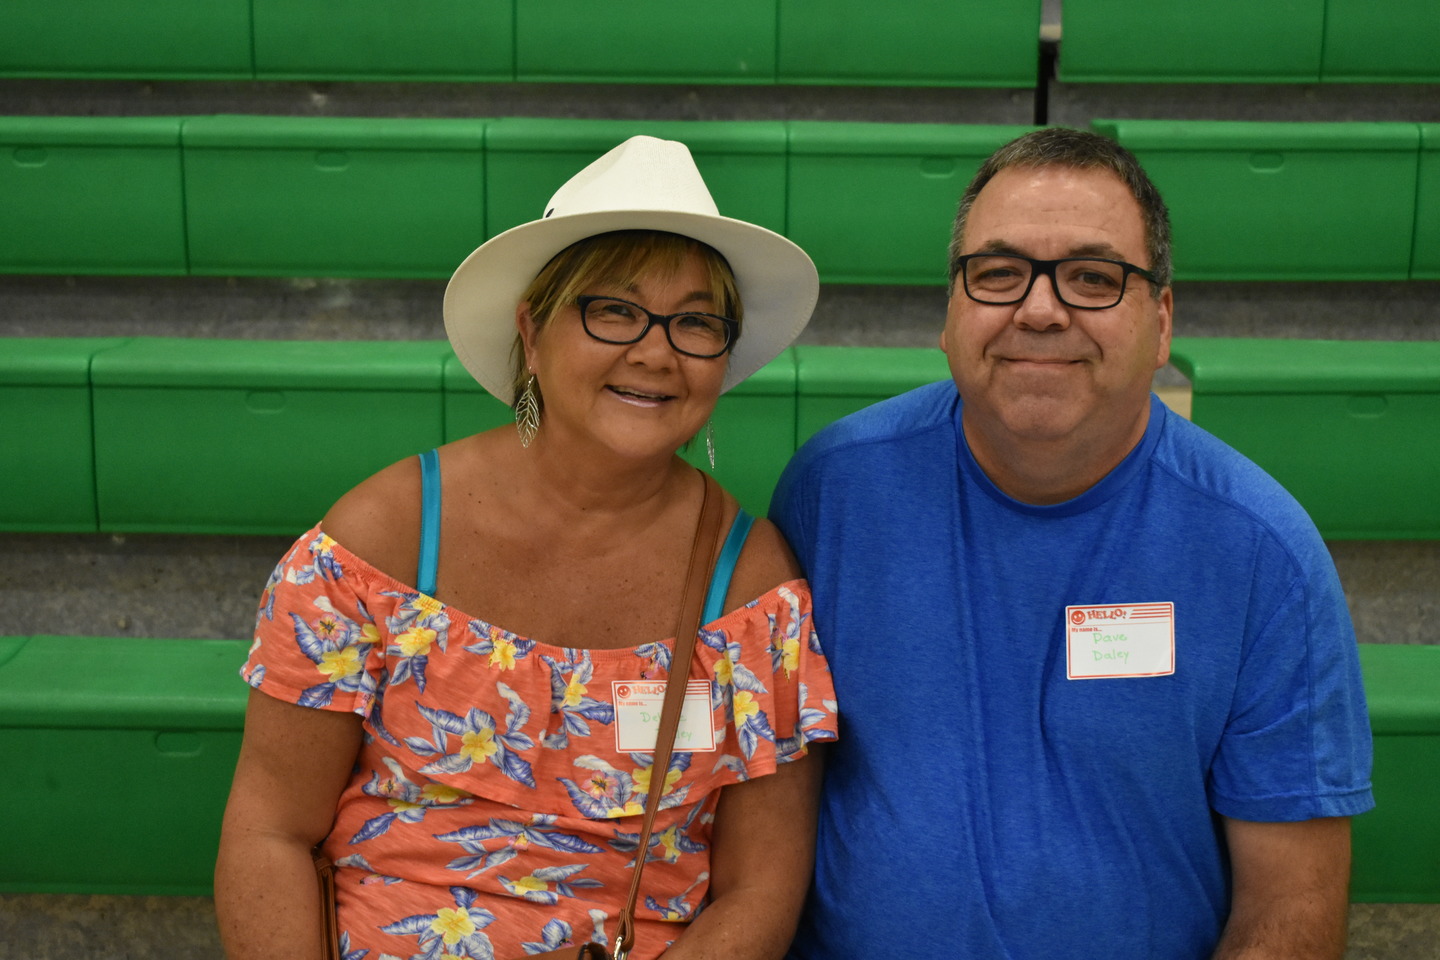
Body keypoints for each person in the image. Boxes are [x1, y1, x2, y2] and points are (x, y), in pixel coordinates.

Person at [215, 135, 837, 960]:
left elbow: (759, 892)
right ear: (532, 333)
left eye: (695, 322)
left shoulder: (751, 593)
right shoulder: (383, 542)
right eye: (613, 310)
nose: (656, 351)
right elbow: (270, 831)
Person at [771, 127, 1373, 960]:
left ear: (1160, 322)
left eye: (1093, 278)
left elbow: (1292, 906)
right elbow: (767, 808)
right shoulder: (832, 491)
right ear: (949, 313)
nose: (1041, 309)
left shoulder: (1263, 555)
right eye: (998, 273)